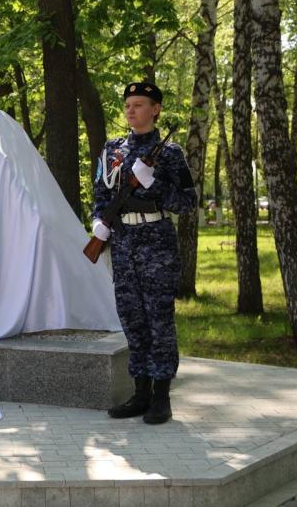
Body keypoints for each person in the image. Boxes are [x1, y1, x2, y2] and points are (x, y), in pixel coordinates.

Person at [91, 82, 196, 424]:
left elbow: (187, 202)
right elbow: (101, 195)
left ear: (156, 110)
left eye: (139, 104)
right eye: (128, 105)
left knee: (159, 322)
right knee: (132, 320)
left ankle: (161, 397)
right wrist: (98, 222)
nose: (131, 110)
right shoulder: (113, 150)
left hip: (156, 244)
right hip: (123, 243)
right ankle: (140, 393)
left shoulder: (169, 153)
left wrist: (154, 183)